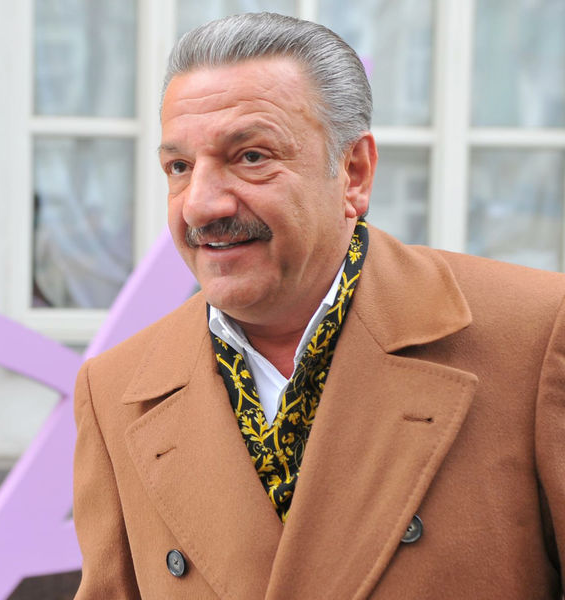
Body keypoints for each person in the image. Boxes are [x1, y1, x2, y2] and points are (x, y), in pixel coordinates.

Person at [72, 12, 565, 600]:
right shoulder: (115, 391)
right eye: (179, 167)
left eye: (250, 157)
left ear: (354, 173)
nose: (200, 205)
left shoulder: (536, 335)